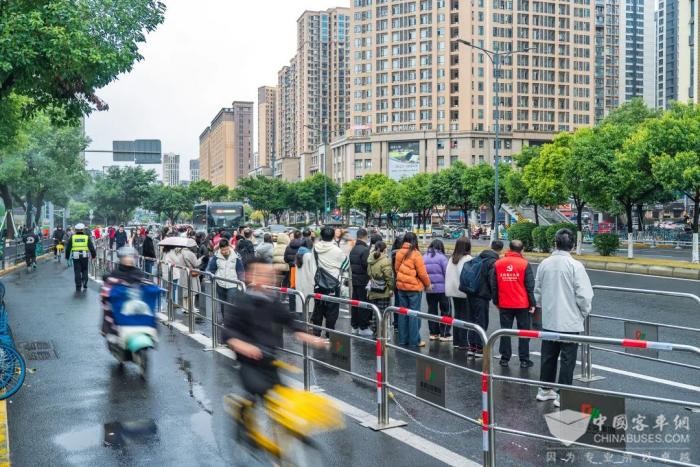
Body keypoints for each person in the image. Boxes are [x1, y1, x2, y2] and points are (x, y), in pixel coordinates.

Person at [221, 259, 326, 428]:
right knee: (258, 389)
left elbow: (289, 320)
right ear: (249, 276)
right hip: (248, 362)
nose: (266, 279)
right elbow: (228, 331)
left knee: (280, 393)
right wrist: (240, 344)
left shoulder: (272, 301)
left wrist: (306, 335)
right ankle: (242, 409)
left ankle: (276, 427)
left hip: (269, 358)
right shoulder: (242, 301)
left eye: (269, 275)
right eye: (260, 274)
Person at [535, 229, 594, 407]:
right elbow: (584, 296)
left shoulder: (544, 264)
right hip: (570, 320)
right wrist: (584, 312)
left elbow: (537, 292)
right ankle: (563, 394)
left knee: (548, 356)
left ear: (555, 243)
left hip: (549, 319)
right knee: (568, 359)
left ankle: (544, 389)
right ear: (573, 245)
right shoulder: (575, 265)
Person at [490, 240, 536, 368]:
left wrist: (496, 301)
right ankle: (524, 359)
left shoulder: (498, 263)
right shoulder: (524, 264)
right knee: (524, 332)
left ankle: (504, 358)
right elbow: (529, 286)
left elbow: (494, 285)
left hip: (505, 303)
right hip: (522, 304)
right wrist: (532, 303)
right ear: (521, 250)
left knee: (505, 331)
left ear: (509, 248)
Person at [465, 239, 502, 358]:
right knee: (481, 321)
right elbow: (493, 281)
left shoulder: (478, 257)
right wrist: (495, 298)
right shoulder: (493, 262)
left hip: (470, 292)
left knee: (472, 320)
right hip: (482, 295)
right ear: (500, 250)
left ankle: (471, 347)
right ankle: (479, 348)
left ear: (491, 246)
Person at [310, 226, 349, 339]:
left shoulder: (315, 248)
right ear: (333, 236)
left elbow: (312, 264)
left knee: (318, 309)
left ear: (321, 236)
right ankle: (329, 335)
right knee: (332, 310)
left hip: (318, 283)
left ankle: (316, 333)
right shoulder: (337, 250)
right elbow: (346, 265)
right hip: (333, 284)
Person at [394, 232, 431, 348]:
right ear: (415, 241)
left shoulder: (399, 252)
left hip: (401, 287)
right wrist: (428, 285)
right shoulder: (416, 254)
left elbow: (397, 269)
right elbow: (422, 273)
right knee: (414, 314)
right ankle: (414, 341)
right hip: (414, 289)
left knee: (403, 313)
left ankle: (403, 340)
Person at [100, 246, 145, 340]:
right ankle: (106, 328)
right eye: (126, 257)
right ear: (121, 259)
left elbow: (144, 282)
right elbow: (109, 281)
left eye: (131, 257)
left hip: (135, 301)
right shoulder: (116, 272)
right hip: (120, 302)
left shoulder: (138, 272)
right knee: (106, 305)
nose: (129, 259)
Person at [207, 238, 244, 331]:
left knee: (231, 303)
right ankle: (225, 320)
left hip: (232, 283)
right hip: (220, 283)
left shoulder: (235, 256)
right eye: (223, 250)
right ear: (220, 248)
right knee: (223, 303)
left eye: (226, 249)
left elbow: (240, 270)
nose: (225, 252)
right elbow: (211, 269)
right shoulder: (216, 257)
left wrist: (241, 281)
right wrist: (212, 279)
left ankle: (231, 321)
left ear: (228, 247)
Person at [445, 237, 472, 349]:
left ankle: (456, 341)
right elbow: (469, 276)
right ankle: (463, 342)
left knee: (457, 315)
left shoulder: (452, 258)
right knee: (465, 317)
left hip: (453, 291)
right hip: (464, 292)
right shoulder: (467, 258)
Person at [423, 239, 451, 342]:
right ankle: (445, 333)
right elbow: (447, 273)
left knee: (432, 310)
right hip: (443, 290)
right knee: (446, 311)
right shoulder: (442, 258)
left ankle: (433, 333)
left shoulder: (424, 257)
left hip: (430, 289)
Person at [366, 240, 394, 334]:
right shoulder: (385, 261)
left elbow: (368, 273)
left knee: (375, 312)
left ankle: (375, 331)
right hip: (383, 291)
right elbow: (388, 277)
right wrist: (391, 289)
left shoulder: (370, 259)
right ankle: (381, 332)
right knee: (383, 312)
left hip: (373, 288)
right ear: (385, 249)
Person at [348, 228, 371, 336]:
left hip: (355, 279)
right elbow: (367, 266)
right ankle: (363, 327)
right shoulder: (365, 250)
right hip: (363, 280)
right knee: (363, 304)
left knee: (355, 303)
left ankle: (355, 326)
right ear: (365, 236)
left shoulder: (353, 249)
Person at [65, 223, 96, 292]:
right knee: (85, 269)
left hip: (76, 256)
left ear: (76, 230)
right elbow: (91, 247)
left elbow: (68, 248)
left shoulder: (73, 237)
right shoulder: (86, 237)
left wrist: (67, 256)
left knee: (77, 271)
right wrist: (93, 255)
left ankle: (78, 285)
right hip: (84, 256)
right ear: (82, 229)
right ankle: (85, 282)